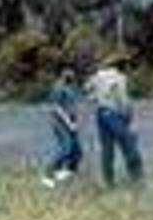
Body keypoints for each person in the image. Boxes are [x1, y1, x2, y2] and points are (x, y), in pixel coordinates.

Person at [85, 53, 144, 188]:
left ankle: (108, 182)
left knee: (107, 150)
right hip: (114, 114)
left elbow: (87, 89)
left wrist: (96, 98)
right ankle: (137, 179)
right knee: (129, 145)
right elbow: (123, 101)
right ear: (123, 66)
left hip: (101, 114)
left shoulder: (98, 76)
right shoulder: (120, 78)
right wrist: (128, 118)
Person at [41, 68, 82, 188]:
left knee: (77, 150)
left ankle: (67, 171)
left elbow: (74, 105)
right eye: (68, 74)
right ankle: (48, 174)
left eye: (72, 74)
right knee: (66, 147)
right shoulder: (58, 88)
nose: (71, 76)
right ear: (63, 76)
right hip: (59, 122)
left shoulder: (72, 87)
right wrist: (69, 123)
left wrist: (76, 121)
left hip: (71, 122)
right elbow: (57, 109)